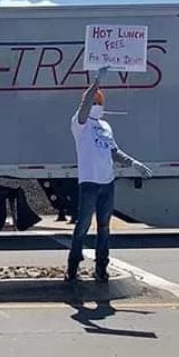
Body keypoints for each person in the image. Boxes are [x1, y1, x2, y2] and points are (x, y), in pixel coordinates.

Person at [66, 71, 152, 283]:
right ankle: (73, 266)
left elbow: (114, 151)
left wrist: (133, 163)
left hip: (107, 182)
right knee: (83, 225)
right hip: (89, 182)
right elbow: (85, 105)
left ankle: (101, 267)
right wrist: (96, 83)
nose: (98, 105)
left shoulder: (105, 126)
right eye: (96, 102)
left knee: (104, 227)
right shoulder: (80, 123)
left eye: (99, 102)